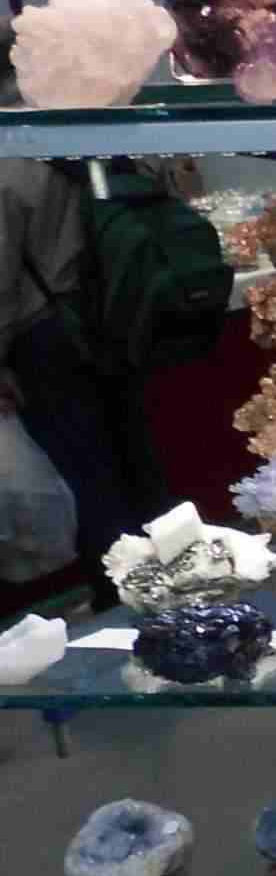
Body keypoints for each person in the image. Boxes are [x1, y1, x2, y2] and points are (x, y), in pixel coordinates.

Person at [0, 161, 173, 610]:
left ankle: (123, 603)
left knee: (90, 476)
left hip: (46, 334)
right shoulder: (73, 140)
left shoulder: (10, 158)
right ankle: (178, 581)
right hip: (112, 311)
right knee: (136, 459)